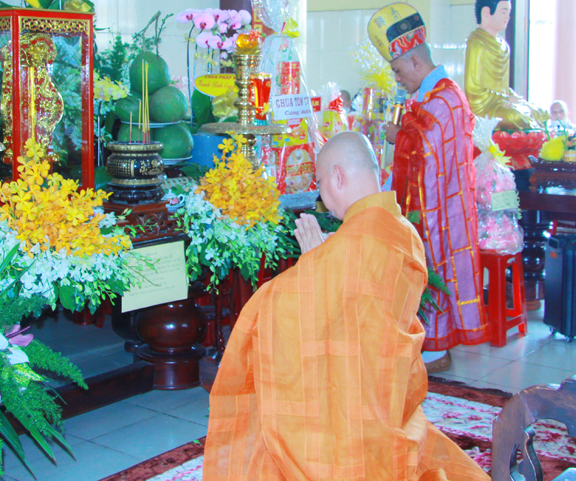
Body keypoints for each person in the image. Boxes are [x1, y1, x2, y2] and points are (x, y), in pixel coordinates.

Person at [203, 132, 489, 481]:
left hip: (354, 399)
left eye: (321, 182)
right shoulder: (400, 229)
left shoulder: (353, 244)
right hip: (389, 386)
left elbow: (282, 310)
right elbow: (359, 312)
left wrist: (313, 264)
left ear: (338, 176)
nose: (321, 196)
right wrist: (324, 261)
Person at [369, 3, 489, 374]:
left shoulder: (446, 97)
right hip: (434, 199)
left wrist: (400, 136)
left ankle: (435, 350)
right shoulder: (432, 95)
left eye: (398, 70)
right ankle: (425, 343)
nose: (397, 78)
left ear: (416, 62)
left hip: (442, 206)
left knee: (433, 265)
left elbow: (427, 148)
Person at [463, 0, 548, 131]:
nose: (507, 17)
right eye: (503, 12)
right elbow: (473, 90)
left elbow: (503, 87)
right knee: (515, 117)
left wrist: (514, 98)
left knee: (539, 111)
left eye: (508, 12)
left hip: (501, 103)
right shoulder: (476, 43)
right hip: (484, 108)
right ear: (486, 13)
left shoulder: (503, 45)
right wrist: (505, 99)